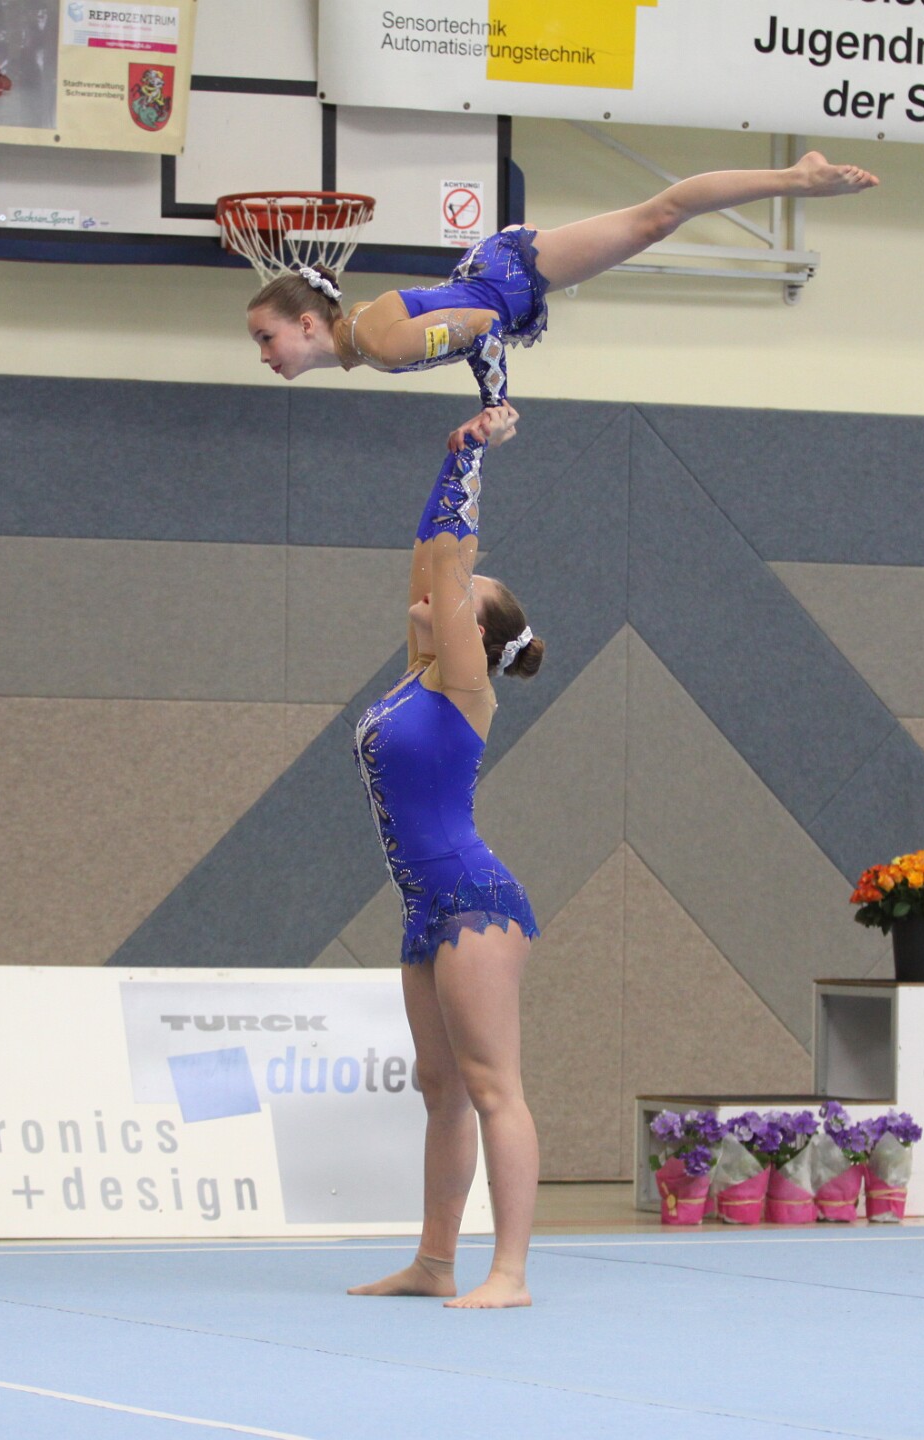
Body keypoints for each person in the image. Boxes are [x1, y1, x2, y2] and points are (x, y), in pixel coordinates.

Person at [246, 155, 878, 448]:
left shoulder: (375, 343)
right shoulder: (362, 339)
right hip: (497, 274)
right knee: (654, 220)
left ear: (307, 322)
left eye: (266, 337)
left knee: (658, 218)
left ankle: (797, 177)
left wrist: (494, 407)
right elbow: (467, 322)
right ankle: (794, 177)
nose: (264, 355)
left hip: (510, 274)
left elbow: (482, 323)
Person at [347, 413, 546, 1310]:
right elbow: (434, 555)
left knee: (492, 1086)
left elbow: (452, 565)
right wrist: (449, 454)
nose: (434, 591)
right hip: (425, 907)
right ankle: (434, 1261)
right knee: (442, 1090)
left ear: (476, 631)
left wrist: (473, 460)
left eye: (460, 595)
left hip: (473, 899)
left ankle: (511, 1271)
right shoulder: (417, 673)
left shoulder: (463, 684)